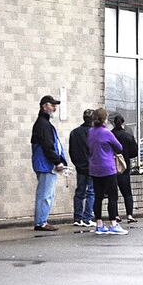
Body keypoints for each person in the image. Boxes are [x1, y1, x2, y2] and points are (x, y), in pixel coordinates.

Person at [86, 108, 127, 235]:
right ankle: (113, 223)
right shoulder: (107, 132)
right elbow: (119, 147)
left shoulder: (90, 132)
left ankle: (99, 224)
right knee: (112, 196)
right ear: (105, 119)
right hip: (108, 168)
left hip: (94, 168)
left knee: (98, 196)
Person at [30, 95, 68, 231]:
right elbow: (48, 145)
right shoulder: (43, 124)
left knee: (46, 194)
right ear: (45, 106)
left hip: (44, 163)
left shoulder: (42, 123)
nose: (55, 108)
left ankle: (42, 220)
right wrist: (57, 161)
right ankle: (41, 222)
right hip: (45, 164)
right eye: (52, 105)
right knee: (45, 195)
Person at [69, 109, 95, 227]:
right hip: (92, 167)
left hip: (80, 168)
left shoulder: (74, 132)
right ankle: (87, 218)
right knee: (91, 192)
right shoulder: (94, 133)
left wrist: (77, 164)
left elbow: (72, 152)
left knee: (79, 192)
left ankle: (77, 218)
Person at [111, 115, 138, 223]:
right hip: (124, 167)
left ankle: (115, 215)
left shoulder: (110, 135)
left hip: (111, 167)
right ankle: (129, 215)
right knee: (127, 193)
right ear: (123, 123)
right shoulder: (128, 136)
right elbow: (134, 153)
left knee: (113, 193)